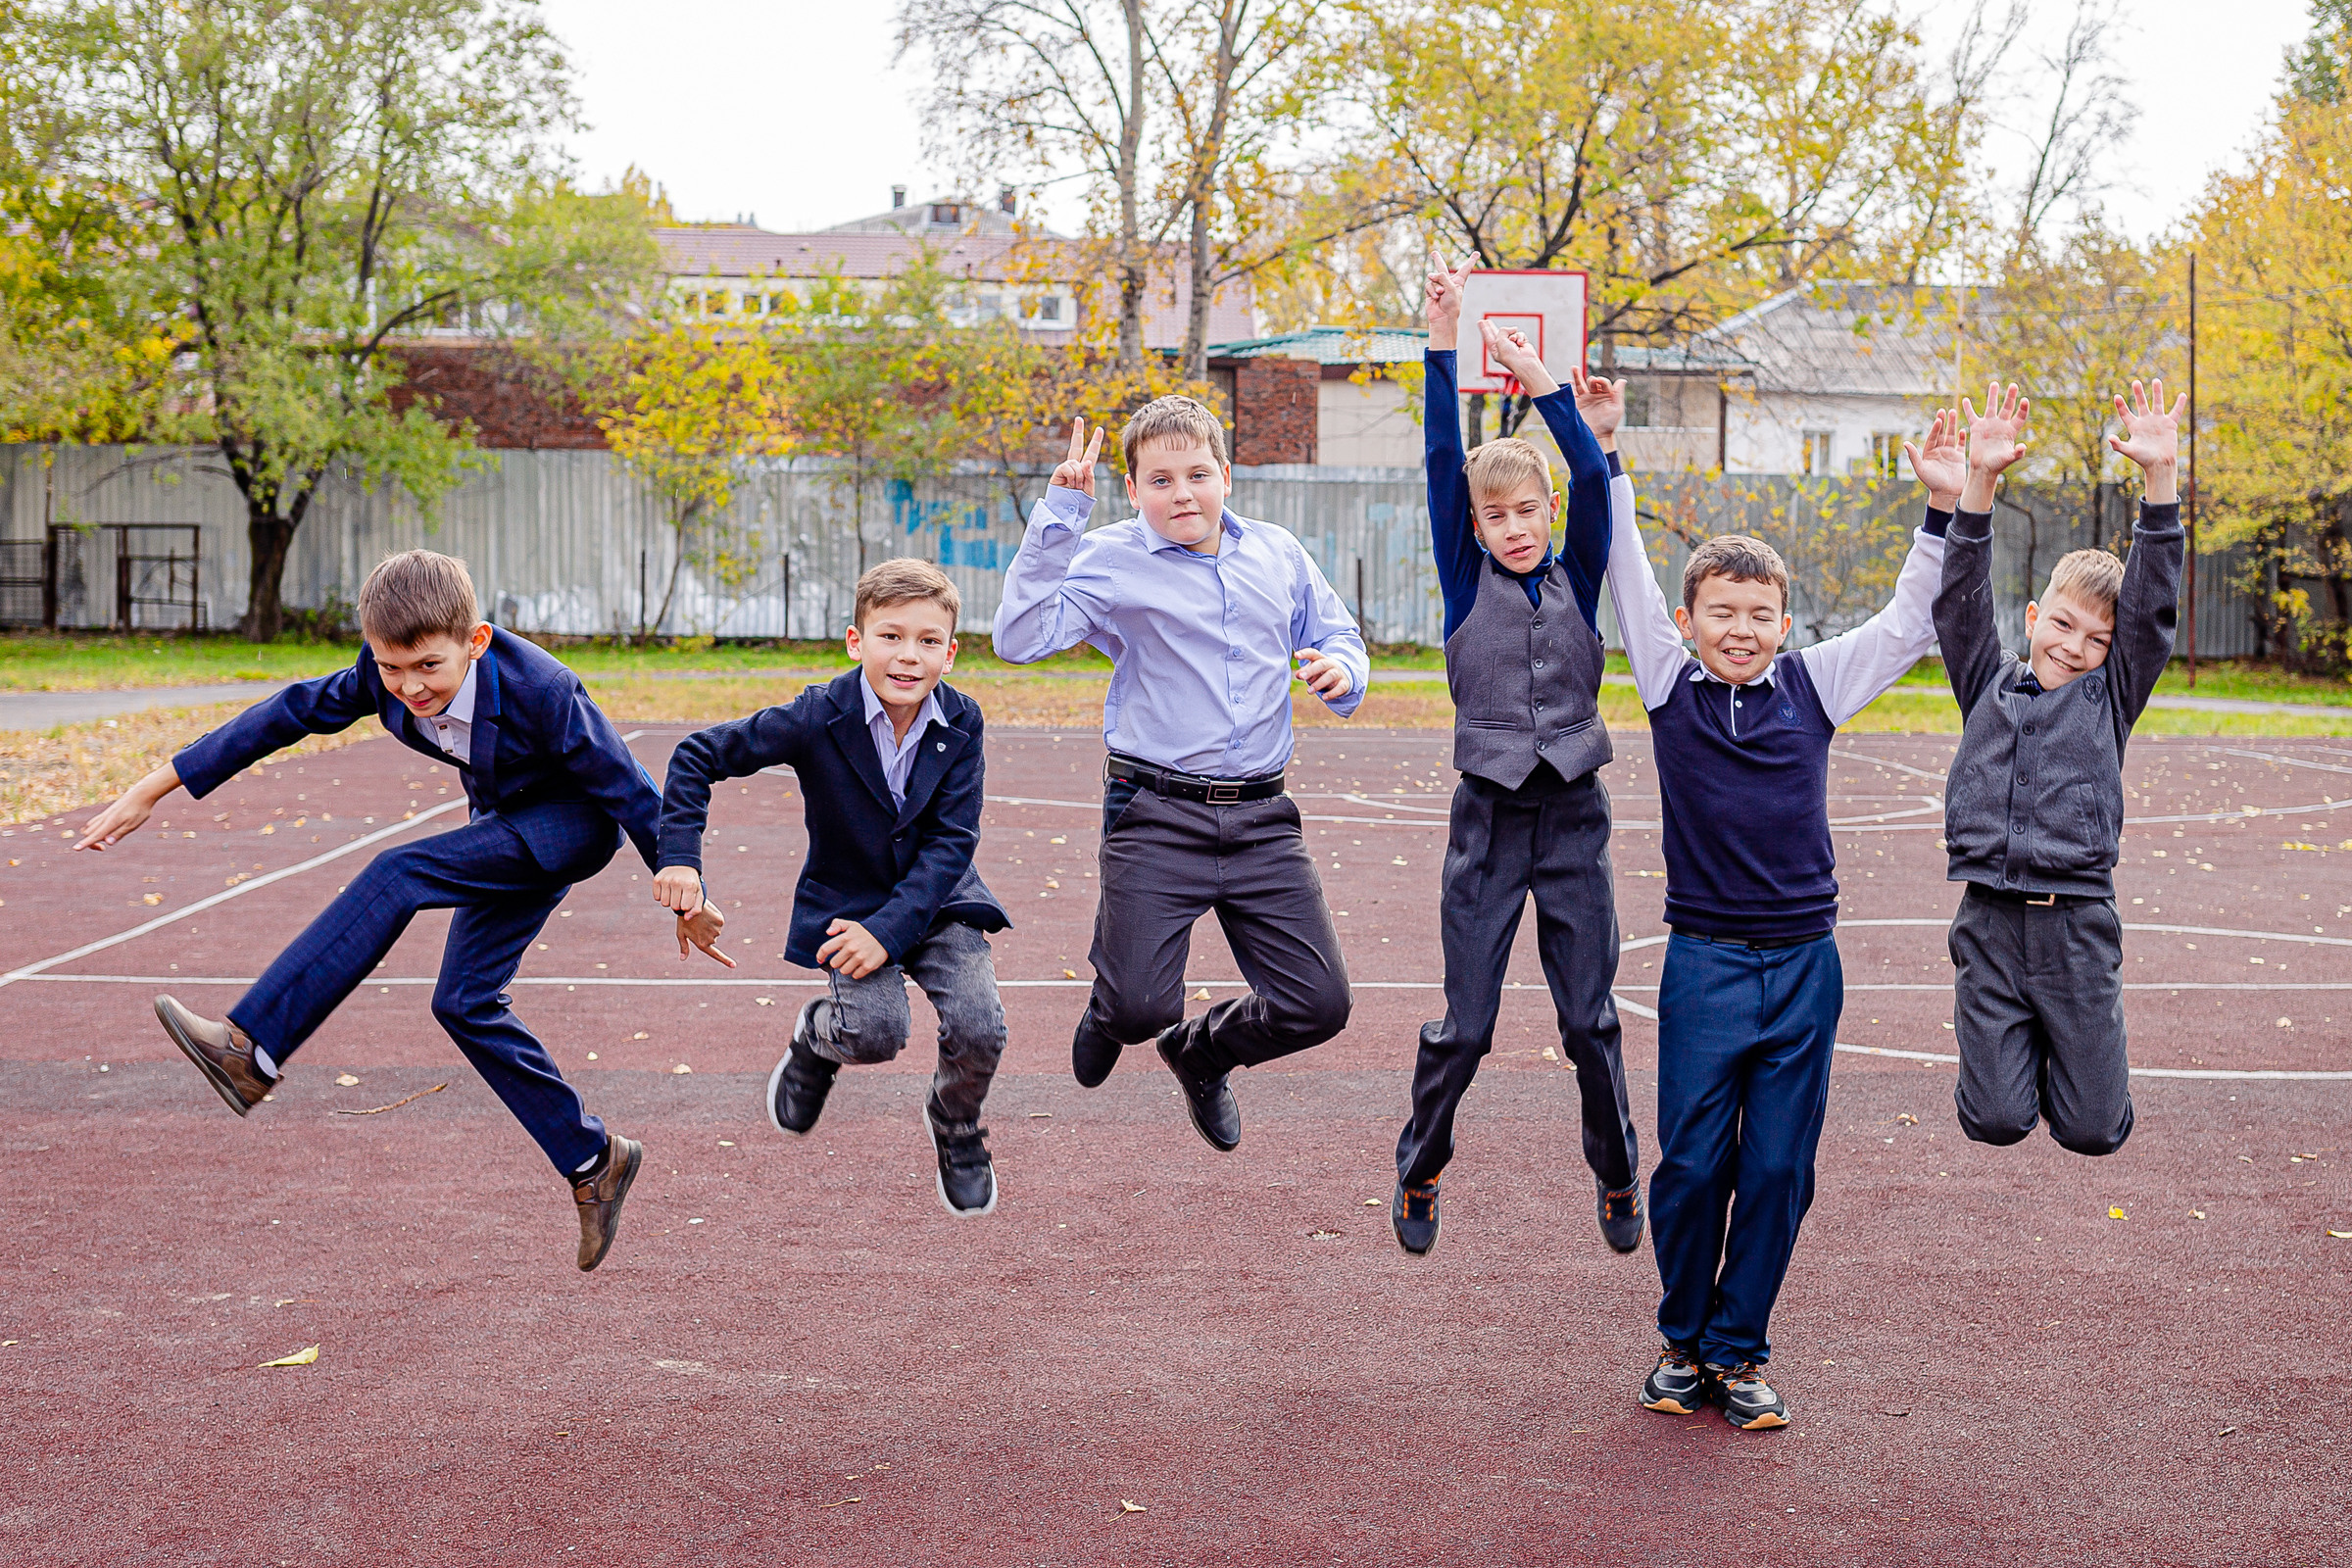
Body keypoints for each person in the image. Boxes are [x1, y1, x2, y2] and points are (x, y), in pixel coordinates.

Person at [72, 550, 716, 1272]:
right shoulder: (380, 679)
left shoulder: (544, 689)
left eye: (429, 669)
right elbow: (282, 716)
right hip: (501, 824)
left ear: (475, 641)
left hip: (571, 827)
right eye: (391, 669)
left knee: (398, 871)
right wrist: (155, 787)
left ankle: (250, 1049)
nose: (410, 688)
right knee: (464, 1002)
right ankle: (594, 1159)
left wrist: (683, 883)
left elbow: (628, 788)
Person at [1605, 405, 1960, 1429]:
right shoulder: (1668, 688)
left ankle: (1739, 1349)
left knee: (1776, 1167)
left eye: (1760, 614)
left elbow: (1907, 620)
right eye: (1721, 611)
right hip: (1705, 963)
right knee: (1693, 1163)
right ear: (1688, 621)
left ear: (1785, 622)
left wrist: (1939, 504)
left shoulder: (1813, 686)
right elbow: (1625, 565)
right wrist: (1610, 454)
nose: (1741, 630)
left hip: (1804, 963)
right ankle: (1682, 1338)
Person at [993, 398, 1368, 1152]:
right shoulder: (1108, 557)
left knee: (1319, 1004)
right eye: (1159, 480)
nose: (1182, 493)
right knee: (1139, 1007)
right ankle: (1112, 1011)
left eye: (1197, 474)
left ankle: (1203, 1053)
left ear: (1226, 477)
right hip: (1156, 811)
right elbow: (1019, 638)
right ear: (1132, 491)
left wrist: (1342, 669)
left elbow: (1334, 632)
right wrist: (1062, 514)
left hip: (1264, 819)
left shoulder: (1278, 553)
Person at [1387, 260, 1640, 1259]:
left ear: (1546, 510)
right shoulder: (1463, 577)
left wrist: (1542, 382)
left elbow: (1595, 479)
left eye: (1526, 511)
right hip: (1488, 823)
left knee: (1589, 1022)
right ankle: (1420, 1163)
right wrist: (1443, 340)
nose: (1516, 528)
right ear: (1479, 527)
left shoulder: (1580, 566)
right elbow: (1443, 455)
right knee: (1469, 1025)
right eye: (1497, 517)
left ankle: (1619, 1168)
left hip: (1573, 819)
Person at [654, 560, 1011, 1216]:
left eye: (929, 641)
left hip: (938, 900)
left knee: (980, 1025)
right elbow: (697, 756)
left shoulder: (963, 723)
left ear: (951, 654)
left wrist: (890, 932)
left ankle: (957, 1127)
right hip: (849, 902)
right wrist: (680, 860)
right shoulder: (818, 715)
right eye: (891, 636)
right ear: (857, 642)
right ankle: (816, 1040)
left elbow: (952, 842)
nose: (909, 656)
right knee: (875, 1033)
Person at [1934, 378, 2185, 1156]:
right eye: (2064, 625)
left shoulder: (2109, 697)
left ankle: (2072, 1058)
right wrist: (1979, 482)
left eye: (2095, 640)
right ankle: (2015, 1058)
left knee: (2092, 1130)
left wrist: (2159, 480)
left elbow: (2148, 609)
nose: (2074, 647)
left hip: (2076, 925)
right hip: (1989, 921)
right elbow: (1961, 594)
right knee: (1998, 1120)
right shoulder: (1985, 679)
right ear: (2035, 617)